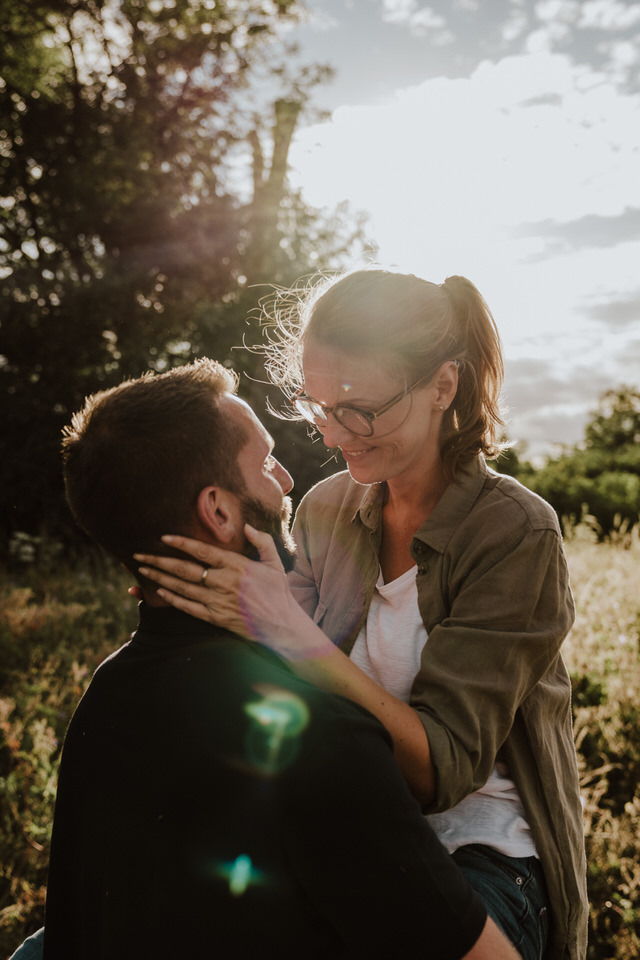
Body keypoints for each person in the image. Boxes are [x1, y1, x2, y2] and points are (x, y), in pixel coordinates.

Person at [134, 270, 589, 960]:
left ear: (443, 385)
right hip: (350, 831)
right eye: (314, 404)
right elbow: (279, 688)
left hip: (482, 852)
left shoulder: (516, 533)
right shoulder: (325, 508)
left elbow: (442, 771)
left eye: (360, 410)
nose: (332, 432)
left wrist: (292, 635)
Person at [25, 358, 519, 960]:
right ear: (220, 511)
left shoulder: (103, 699)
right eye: (263, 461)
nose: (285, 478)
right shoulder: (321, 735)